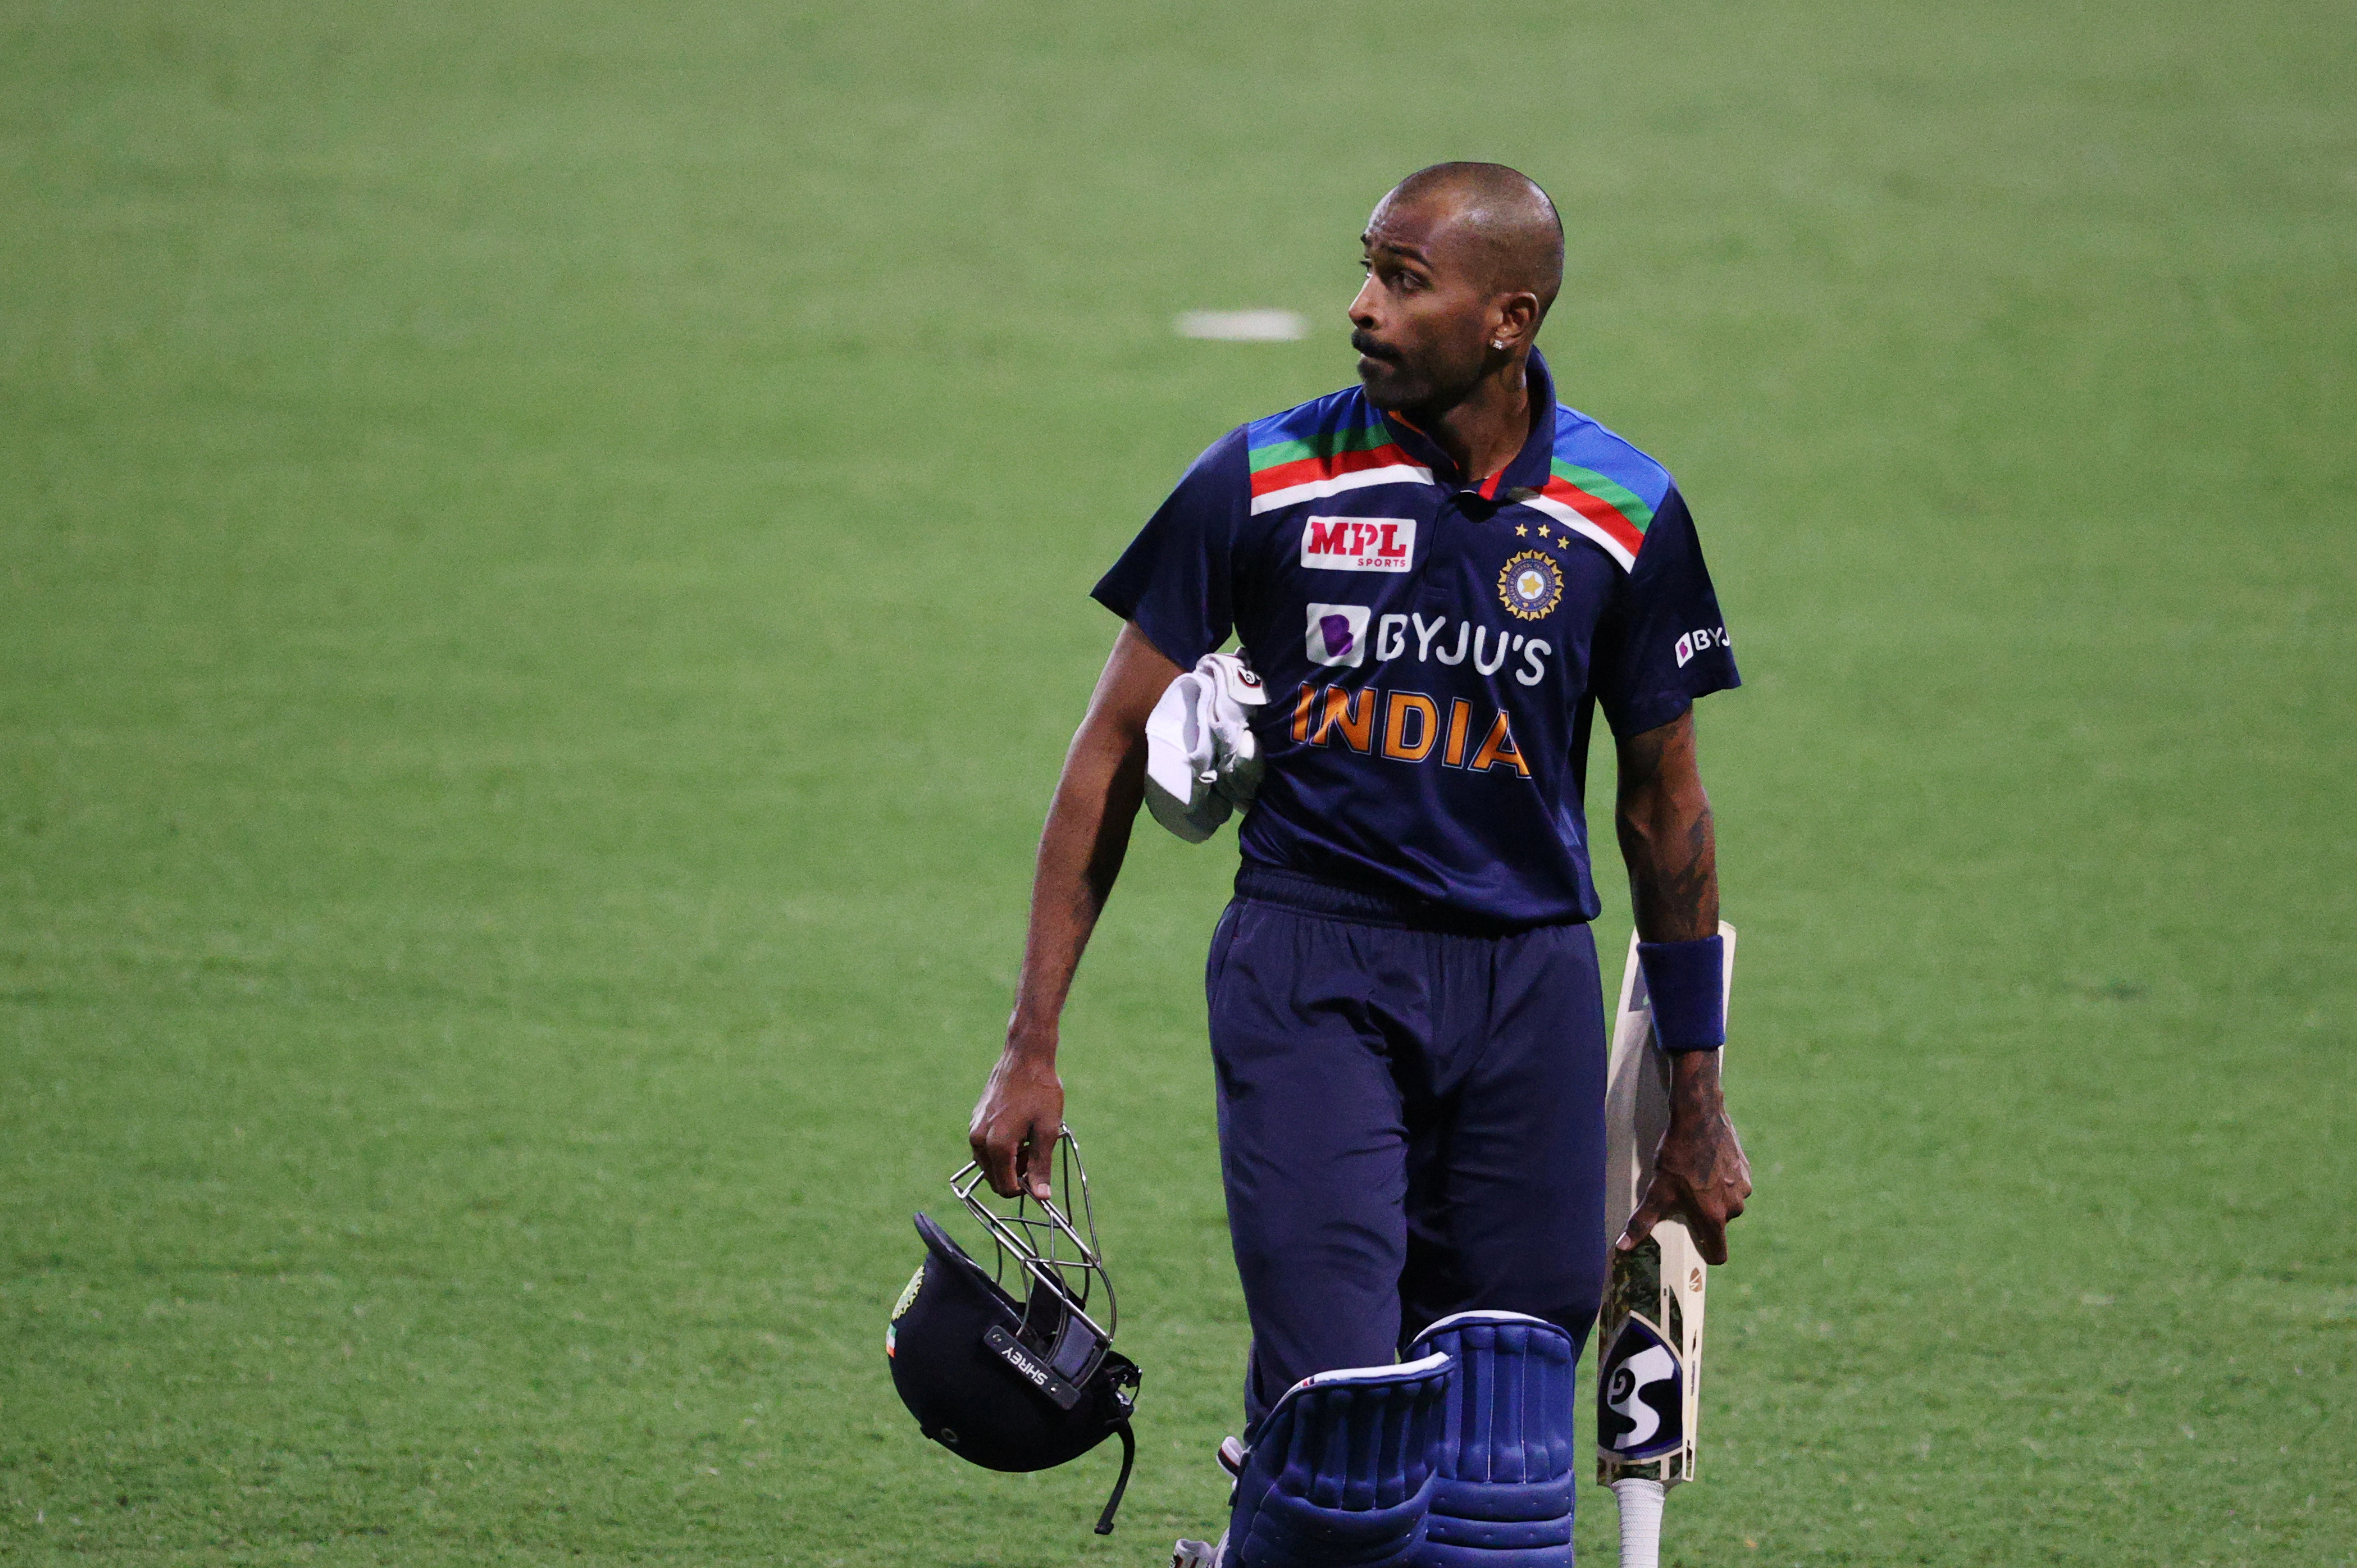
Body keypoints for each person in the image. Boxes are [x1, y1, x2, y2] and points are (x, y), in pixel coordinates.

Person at [966, 159, 1752, 1489]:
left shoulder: (1624, 512)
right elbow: (1105, 751)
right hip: (1312, 969)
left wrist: (1696, 1098)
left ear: (1509, 317)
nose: (1361, 309)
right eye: (1367, 269)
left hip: (1527, 986)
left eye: (1402, 280)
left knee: (1507, 1410)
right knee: (1337, 1397)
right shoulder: (1266, 477)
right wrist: (1028, 1042)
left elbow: (1662, 807)